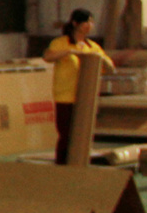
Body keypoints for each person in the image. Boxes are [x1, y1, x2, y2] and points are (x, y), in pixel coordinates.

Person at [44, 9, 114, 165]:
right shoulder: (61, 43)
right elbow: (48, 56)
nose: (89, 25)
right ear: (75, 23)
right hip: (65, 96)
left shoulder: (92, 46)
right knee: (66, 134)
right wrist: (69, 51)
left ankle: (79, 163)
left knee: (82, 134)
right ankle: (62, 165)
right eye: (86, 22)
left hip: (85, 98)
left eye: (91, 22)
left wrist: (100, 58)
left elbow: (110, 68)